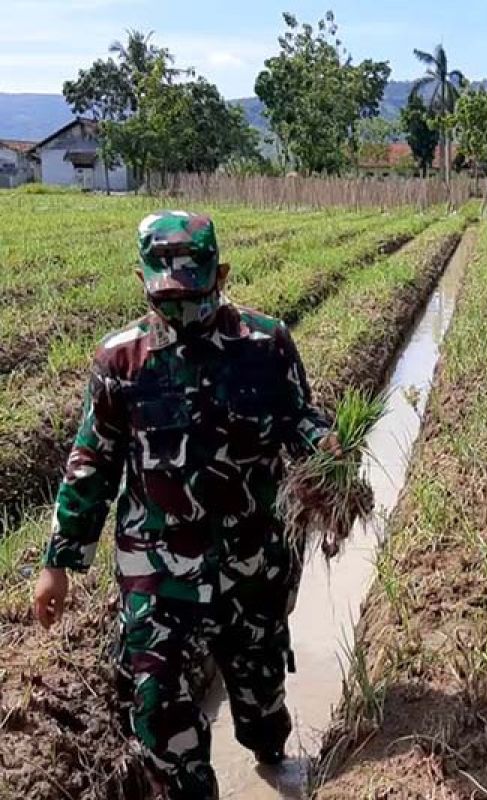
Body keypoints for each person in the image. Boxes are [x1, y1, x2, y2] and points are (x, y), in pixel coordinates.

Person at [32, 211, 339, 799]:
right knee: (154, 704)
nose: (181, 311)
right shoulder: (121, 363)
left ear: (220, 276)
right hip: (158, 569)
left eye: (194, 295)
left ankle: (268, 747)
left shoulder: (265, 344)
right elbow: (91, 464)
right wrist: (58, 564)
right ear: (141, 281)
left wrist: (322, 445)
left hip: (251, 559)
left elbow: (298, 417)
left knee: (260, 698)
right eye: (165, 298)